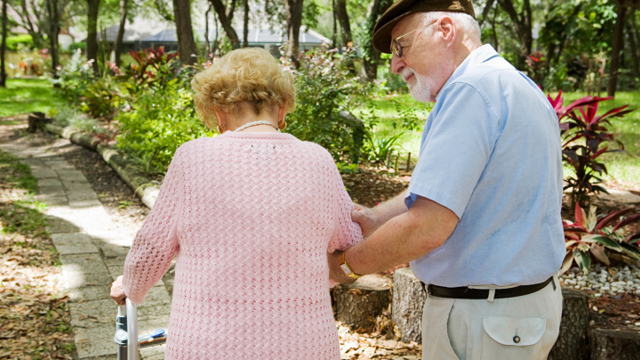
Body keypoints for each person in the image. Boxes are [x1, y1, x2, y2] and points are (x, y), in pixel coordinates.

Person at [328, 1, 565, 359]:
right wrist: (377, 219)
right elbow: (454, 190)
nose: (395, 65)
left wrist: (345, 266)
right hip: (514, 314)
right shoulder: (513, 83)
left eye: (399, 47)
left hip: (484, 319)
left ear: (444, 30)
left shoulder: (469, 90)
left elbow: (427, 227)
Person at [110, 47, 362, 359]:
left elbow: (151, 248)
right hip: (304, 346)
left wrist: (130, 287)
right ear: (281, 108)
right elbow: (351, 244)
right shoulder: (318, 160)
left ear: (217, 113)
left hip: (208, 347)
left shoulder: (192, 159)